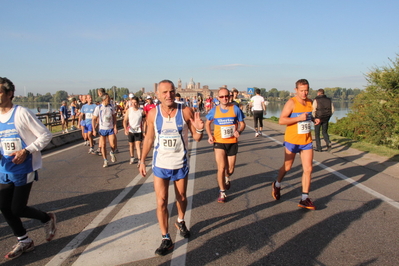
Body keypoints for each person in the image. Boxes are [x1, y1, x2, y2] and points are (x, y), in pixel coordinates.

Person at [139, 80, 204, 256]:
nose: (169, 95)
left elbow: (197, 138)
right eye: (165, 92)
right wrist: (142, 159)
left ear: (175, 92)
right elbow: (149, 139)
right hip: (160, 165)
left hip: (180, 163)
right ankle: (165, 238)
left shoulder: (185, 111)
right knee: (161, 201)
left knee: (181, 197)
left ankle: (180, 221)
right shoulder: (153, 114)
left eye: (171, 91)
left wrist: (199, 130)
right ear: (158, 95)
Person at [0, 77, 56, 260]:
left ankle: (46, 218)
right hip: (3, 168)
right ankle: (24, 240)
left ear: (9, 94)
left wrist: (27, 150)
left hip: (24, 168)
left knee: (17, 208)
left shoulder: (21, 113)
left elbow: (46, 135)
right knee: (4, 207)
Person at [271, 79, 320, 210]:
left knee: (308, 169)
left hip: (306, 141)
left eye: (306, 90)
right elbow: (281, 120)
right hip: (292, 140)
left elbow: (308, 117)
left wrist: (314, 119)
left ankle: (304, 198)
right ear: (296, 90)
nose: (304, 93)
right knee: (287, 167)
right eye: (302, 90)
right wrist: (299, 118)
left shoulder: (310, 102)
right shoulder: (291, 102)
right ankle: (277, 183)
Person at [205, 88, 246, 203]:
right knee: (221, 168)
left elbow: (242, 123)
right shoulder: (214, 110)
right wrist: (209, 135)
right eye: (222, 96)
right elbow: (207, 123)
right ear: (218, 98)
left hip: (232, 142)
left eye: (226, 96)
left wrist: (240, 131)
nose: (224, 98)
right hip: (219, 142)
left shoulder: (235, 109)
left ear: (230, 96)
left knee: (230, 169)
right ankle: (222, 192)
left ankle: (227, 178)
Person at [92, 94, 118, 167]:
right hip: (102, 129)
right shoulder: (99, 108)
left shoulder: (111, 107)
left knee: (113, 144)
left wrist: (115, 127)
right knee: (103, 145)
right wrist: (94, 129)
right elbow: (93, 119)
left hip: (110, 128)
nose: (109, 100)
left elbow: (114, 117)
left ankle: (112, 152)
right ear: (104, 99)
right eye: (108, 99)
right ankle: (105, 160)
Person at [123, 96, 144, 166]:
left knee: (138, 145)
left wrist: (144, 130)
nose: (134, 104)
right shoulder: (129, 110)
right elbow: (125, 120)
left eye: (135, 103)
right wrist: (125, 129)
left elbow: (145, 121)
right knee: (131, 145)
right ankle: (132, 157)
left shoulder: (141, 111)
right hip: (130, 130)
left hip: (138, 130)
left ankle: (139, 159)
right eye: (132, 103)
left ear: (138, 103)